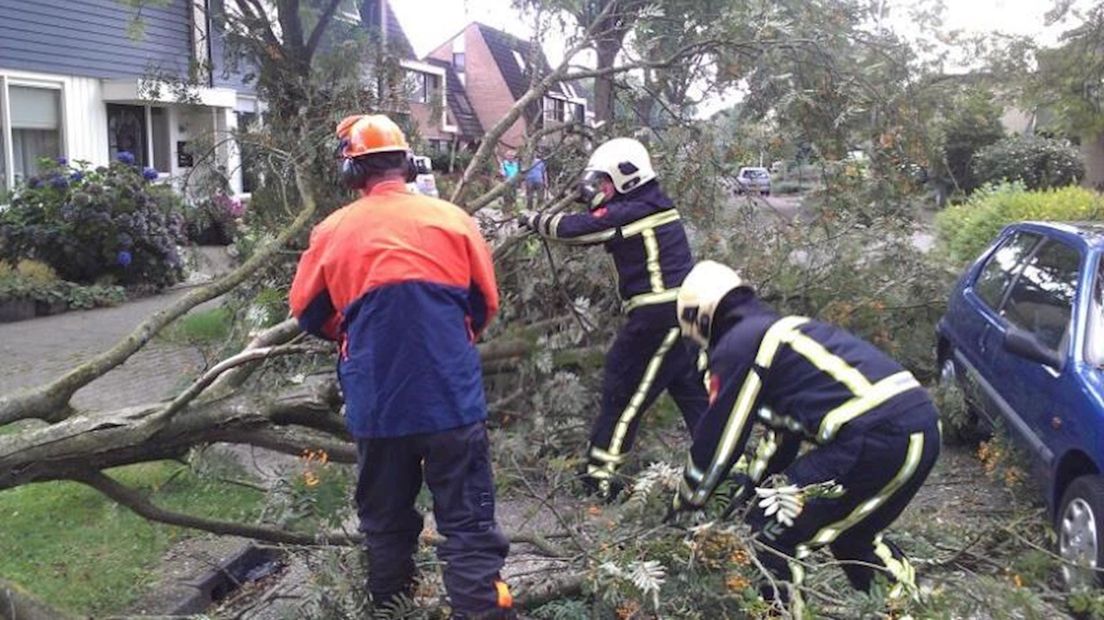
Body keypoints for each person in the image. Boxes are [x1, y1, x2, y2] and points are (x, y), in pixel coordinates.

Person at [289, 114, 514, 619]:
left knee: (386, 528)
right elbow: (484, 306)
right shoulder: (455, 220)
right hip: (452, 402)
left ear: (352, 172)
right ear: (407, 164)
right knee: (470, 530)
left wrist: (362, 339)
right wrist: (442, 344)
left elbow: (309, 313)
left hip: (378, 406)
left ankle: (393, 610)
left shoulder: (332, 232)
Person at [670, 260, 941, 611]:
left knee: (767, 532)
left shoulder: (736, 345)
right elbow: (783, 440)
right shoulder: (775, 332)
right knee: (854, 538)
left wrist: (686, 502)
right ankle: (915, 613)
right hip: (919, 426)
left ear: (701, 319)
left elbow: (720, 440)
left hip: (876, 436)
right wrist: (747, 489)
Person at [518, 137, 709, 499]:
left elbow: (581, 228)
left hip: (658, 317)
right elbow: (601, 214)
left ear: (626, 179)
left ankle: (599, 479)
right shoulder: (649, 204)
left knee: (623, 393)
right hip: (682, 314)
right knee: (692, 394)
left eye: (603, 183)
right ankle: (725, 470)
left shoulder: (636, 211)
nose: (599, 190)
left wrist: (536, 219)